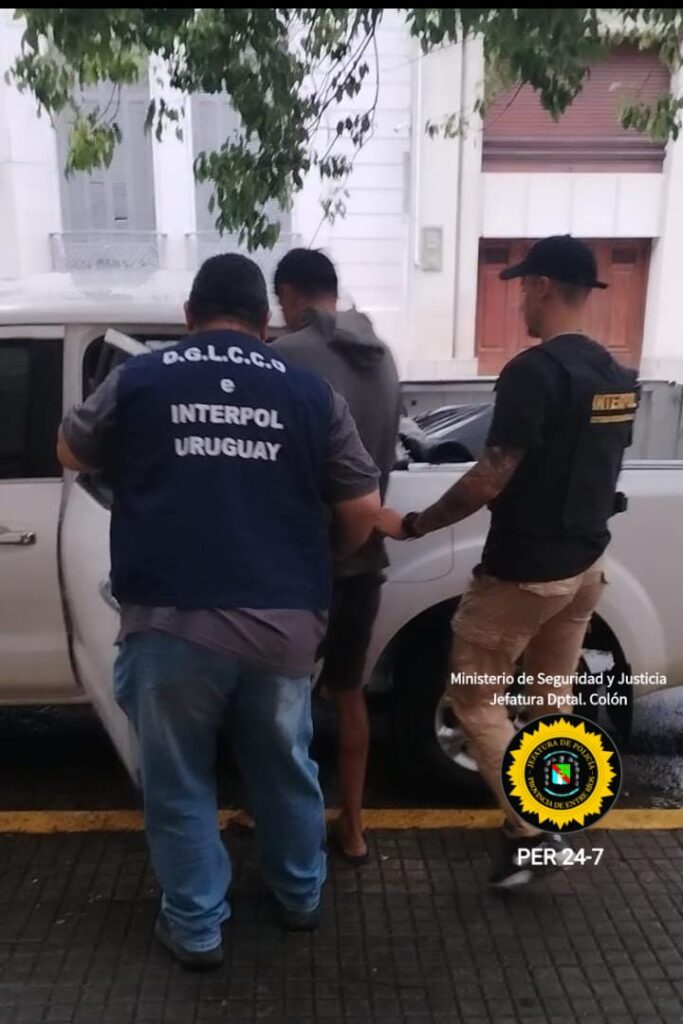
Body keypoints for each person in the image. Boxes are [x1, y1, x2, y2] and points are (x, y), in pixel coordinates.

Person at [56, 254, 381, 970]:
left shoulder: (139, 378)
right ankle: (299, 896)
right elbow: (362, 508)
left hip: (170, 621)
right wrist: (320, 560)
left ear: (188, 317)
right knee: (283, 766)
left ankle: (197, 927)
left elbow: (70, 452)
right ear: (265, 323)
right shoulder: (310, 392)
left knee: (178, 779)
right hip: (282, 620)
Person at [376, 235, 639, 888]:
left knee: (474, 702)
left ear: (543, 286)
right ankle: (555, 814)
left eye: (523, 287)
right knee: (550, 702)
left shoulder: (532, 372)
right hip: (584, 570)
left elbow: (488, 477)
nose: (520, 299)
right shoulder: (616, 377)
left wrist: (414, 524)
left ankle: (531, 832)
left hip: (523, 574)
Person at [272, 248, 401, 864]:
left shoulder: (285, 357)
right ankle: (353, 830)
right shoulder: (382, 356)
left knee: (282, 698)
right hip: (366, 558)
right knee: (349, 693)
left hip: (299, 563)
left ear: (289, 295)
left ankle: (282, 823)